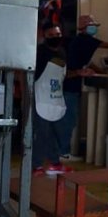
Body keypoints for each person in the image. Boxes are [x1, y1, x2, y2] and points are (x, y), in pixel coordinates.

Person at [59, 14, 108, 161]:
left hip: (71, 83)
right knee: (69, 120)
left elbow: (88, 63)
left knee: (70, 119)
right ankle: (63, 152)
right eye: (92, 26)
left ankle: (64, 151)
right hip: (70, 84)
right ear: (83, 28)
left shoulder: (81, 41)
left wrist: (104, 74)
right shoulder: (85, 40)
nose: (94, 28)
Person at [32, 23, 72, 176]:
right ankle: (36, 165)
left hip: (56, 97)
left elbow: (63, 75)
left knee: (55, 133)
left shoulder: (62, 52)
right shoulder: (40, 52)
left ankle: (55, 162)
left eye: (58, 34)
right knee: (41, 134)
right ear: (44, 36)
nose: (56, 38)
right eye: (52, 35)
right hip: (40, 98)